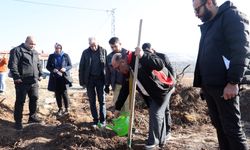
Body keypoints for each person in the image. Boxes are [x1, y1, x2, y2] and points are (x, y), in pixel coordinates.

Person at [192, 0, 249, 149]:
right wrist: (202, 83)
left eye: (197, 10)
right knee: (220, 127)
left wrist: (233, 82)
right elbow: (204, 56)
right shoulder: (210, 24)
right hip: (210, 86)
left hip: (225, 86)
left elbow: (241, 50)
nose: (196, 14)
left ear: (209, 2)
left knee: (232, 129)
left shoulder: (231, 16)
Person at [112, 47, 175, 149]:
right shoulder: (128, 70)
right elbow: (124, 90)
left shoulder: (138, 57)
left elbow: (160, 64)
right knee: (157, 114)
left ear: (122, 62)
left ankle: (153, 142)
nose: (118, 71)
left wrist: (143, 56)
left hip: (162, 89)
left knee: (156, 114)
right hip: (151, 94)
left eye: (117, 68)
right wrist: (118, 108)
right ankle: (161, 140)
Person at [8, 36, 43, 130]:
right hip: (21, 81)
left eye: (34, 44)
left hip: (33, 80)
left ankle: (32, 117)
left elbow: (38, 64)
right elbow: (12, 64)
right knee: (20, 101)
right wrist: (16, 77)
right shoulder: (17, 50)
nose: (33, 46)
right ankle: (18, 121)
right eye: (31, 44)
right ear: (26, 42)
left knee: (34, 98)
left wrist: (40, 74)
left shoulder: (35, 52)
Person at [141, 42, 175, 140]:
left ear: (153, 49)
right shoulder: (146, 58)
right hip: (157, 88)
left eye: (149, 51)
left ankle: (168, 131)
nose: (148, 53)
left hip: (167, 86)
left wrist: (173, 84)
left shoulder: (162, 56)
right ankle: (161, 133)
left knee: (166, 109)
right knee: (159, 111)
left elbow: (171, 69)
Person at [79, 37, 108, 128]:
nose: (93, 47)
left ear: (97, 43)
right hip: (89, 80)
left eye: (94, 45)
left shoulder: (103, 51)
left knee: (102, 101)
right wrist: (82, 81)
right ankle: (95, 120)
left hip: (100, 79)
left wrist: (107, 82)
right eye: (91, 46)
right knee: (92, 101)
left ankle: (103, 121)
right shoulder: (85, 52)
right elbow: (82, 67)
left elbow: (107, 66)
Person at [46, 43, 72, 116]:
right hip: (55, 78)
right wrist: (53, 69)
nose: (58, 50)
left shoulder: (65, 55)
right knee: (57, 94)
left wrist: (65, 68)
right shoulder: (51, 56)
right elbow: (48, 66)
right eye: (56, 48)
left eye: (59, 48)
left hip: (64, 77)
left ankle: (67, 108)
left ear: (61, 48)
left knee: (64, 93)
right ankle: (60, 108)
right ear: (54, 48)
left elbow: (70, 65)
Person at [106, 37, 130, 113]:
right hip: (116, 85)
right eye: (111, 47)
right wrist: (107, 84)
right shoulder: (109, 57)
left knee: (127, 105)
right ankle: (120, 123)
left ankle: (127, 124)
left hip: (127, 84)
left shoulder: (127, 54)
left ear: (120, 44)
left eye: (115, 46)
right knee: (118, 105)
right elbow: (107, 72)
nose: (113, 48)